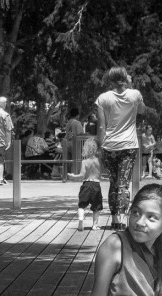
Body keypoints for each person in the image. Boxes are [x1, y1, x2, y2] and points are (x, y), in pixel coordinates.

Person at [95, 66, 147, 229]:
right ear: (126, 78)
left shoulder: (103, 98)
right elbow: (142, 111)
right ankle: (122, 218)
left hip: (109, 145)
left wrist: (100, 147)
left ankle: (114, 219)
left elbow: (102, 127)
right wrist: (130, 87)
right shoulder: (135, 95)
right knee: (123, 182)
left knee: (113, 182)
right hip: (128, 145)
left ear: (110, 79)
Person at [68, 138, 103, 231]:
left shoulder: (84, 162)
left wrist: (73, 176)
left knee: (82, 205)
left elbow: (82, 175)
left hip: (86, 184)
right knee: (96, 207)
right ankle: (95, 225)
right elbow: (102, 173)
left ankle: (80, 221)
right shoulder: (100, 161)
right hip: (96, 185)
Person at [63, 107, 84, 175]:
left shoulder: (68, 122)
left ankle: (67, 174)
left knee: (68, 160)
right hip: (75, 143)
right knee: (76, 159)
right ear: (77, 115)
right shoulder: (77, 123)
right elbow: (79, 133)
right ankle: (75, 173)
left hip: (67, 143)